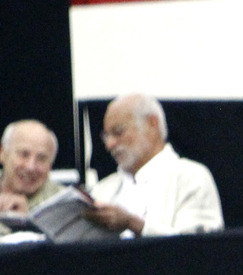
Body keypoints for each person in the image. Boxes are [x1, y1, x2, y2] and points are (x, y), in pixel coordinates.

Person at [86, 93, 224, 236]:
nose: (109, 144)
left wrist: (132, 224)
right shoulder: (101, 190)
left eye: (118, 132)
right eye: (106, 136)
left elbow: (197, 245)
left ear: (152, 123)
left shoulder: (191, 178)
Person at [0, 120, 62, 234]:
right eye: (24, 154)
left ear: (50, 165)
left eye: (41, 158)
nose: (31, 167)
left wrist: (27, 223)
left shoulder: (63, 205)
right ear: (3, 153)